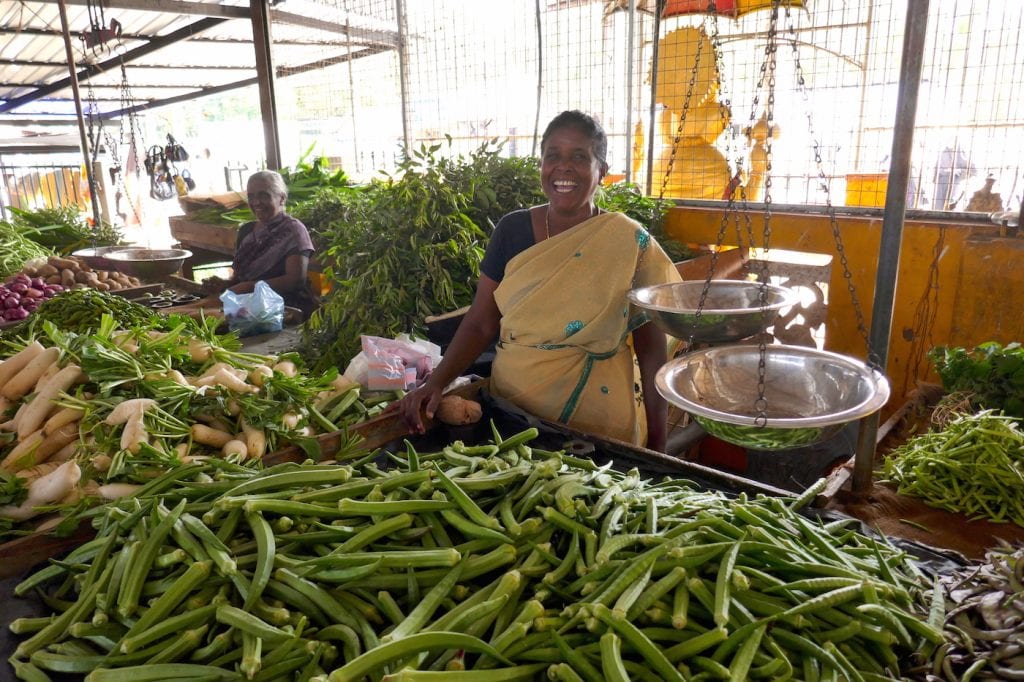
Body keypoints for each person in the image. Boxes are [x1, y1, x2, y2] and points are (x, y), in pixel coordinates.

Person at [398, 110, 682, 451]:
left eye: (579, 156)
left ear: (601, 171)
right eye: (553, 156)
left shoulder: (627, 241)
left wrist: (657, 442)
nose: (563, 167)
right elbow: (480, 322)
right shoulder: (511, 230)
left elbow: (651, 348)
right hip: (515, 409)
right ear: (541, 166)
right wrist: (437, 382)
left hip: (600, 416)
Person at [201, 170, 318, 318]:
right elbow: (239, 278)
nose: (256, 202)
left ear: (281, 198)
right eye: (251, 196)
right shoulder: (246, 231)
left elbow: (295, 280)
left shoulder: (293, 230)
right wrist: (224, 284)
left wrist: (251, 287)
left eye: (264, 195)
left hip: (286, 309)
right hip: (246, 304)